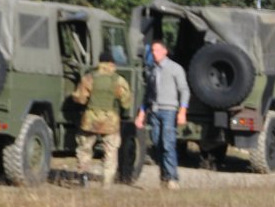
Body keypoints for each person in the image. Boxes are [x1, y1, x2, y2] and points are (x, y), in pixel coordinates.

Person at [71, 50, 132, 186]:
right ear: (112, 63)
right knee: (110, 151)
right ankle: (107, 183)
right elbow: (126, 102)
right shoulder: (119, 80)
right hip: (111, 121)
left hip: (90, 120)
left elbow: (80, 99)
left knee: (85, 149)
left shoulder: (89, 77)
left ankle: (83, 178)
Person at [134, 40, 189, 188]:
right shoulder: (152, 70)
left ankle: (172, 178)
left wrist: (182, 111)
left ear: (165, 51)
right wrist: (141, 114)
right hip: (154, 111)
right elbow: (148, 95)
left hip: (169, 111)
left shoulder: (175, 69)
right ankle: (164, 177)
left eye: (157, 50)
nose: (154, 53)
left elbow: (184, 90)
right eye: (152, 51)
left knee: (168, 143)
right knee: (157, 143)